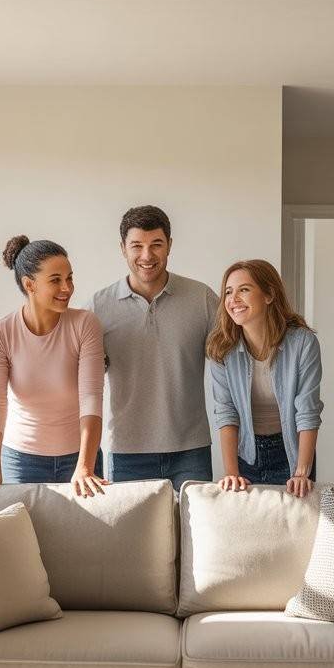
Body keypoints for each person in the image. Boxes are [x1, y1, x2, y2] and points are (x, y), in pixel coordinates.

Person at [87, 205, 219, 491]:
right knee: (134, 524)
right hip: (127, 451)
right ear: (122, 248)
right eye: (137, 245)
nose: (147, 255)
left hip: (191, 449)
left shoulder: (203, 299)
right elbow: (81, 377)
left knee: (192, 522)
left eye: (156, 244)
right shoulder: (98, 307)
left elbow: (235, 361)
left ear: (169, 245)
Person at [0, 235, 106, 495]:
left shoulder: (85, 324)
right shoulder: (0, 333)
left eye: (70, 278)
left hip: (80, 458)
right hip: (20, 460)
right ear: (29, 284)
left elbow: (91, 397)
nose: (67, 288)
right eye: (55, 280)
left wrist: (85, 466)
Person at [206, 260, 322, 496]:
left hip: (292, 452)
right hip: (246, 453)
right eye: (228, 292)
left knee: (296, 518)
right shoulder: (221, 348)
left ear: (269, 294)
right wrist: (231, 472)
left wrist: (302, 472)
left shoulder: (303, 343)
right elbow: (226, 412)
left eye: (244, 289)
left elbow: (307, 411)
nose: (233, 299)